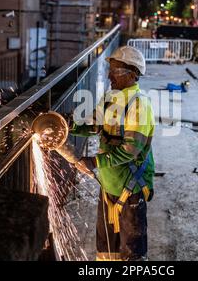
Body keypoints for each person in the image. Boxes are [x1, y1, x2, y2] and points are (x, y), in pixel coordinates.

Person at [72, 46, 155, 261]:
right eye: (110, 69)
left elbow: (130, 150)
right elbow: (93, 124)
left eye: (115, 71)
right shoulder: (110, 98)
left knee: (131, 253)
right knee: (106, 250)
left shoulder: (139, 105)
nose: (109, 75)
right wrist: (68, 125)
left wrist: (95, 161)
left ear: (133, 74)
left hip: (131, 187)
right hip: (109, 184)